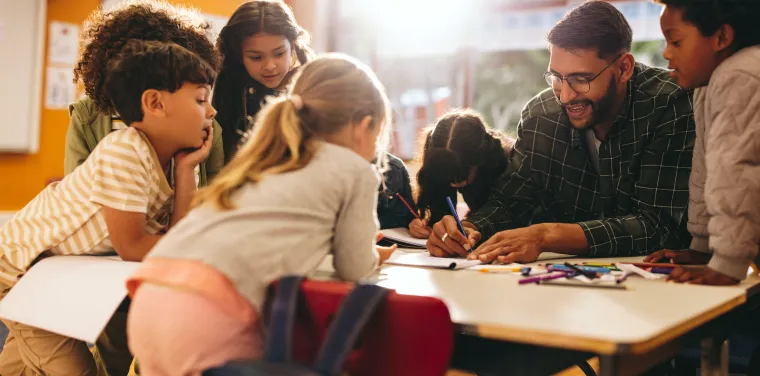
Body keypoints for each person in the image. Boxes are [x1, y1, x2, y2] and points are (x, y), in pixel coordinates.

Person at [125, 54, 397, 374]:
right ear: (364, 126)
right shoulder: (355, 170)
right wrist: (371, 255)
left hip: (149, 301)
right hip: (209, 321)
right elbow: (354, 268)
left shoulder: (262, 161)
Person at [0, 39, 216, 375]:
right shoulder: (125, 152)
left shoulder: (175, 160)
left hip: (55, 274)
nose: (211, 112)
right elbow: (133, 247)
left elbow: (176, 237)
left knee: (19, 366)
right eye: (201, 100)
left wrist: (188, 170)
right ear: (155, 103)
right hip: (21, 270)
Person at [427, 0, 695, 265]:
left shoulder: (669, 104)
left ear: (623, 68)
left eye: (581, 79)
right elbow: (511, 201)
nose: (565, 96)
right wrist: (471, 229)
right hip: (563, 288)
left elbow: (659, 225)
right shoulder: (540, 115)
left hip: (657, 288)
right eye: (557, 77)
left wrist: (546, 235)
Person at [644, 0, 760, 285]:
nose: (667, 53)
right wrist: (702, 248)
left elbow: (737, 173)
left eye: (676, 41)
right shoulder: (708, 84)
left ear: (721, 37)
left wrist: (726, 264)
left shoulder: (740, 75)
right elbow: (708, 168)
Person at [66, 0, 224, 186]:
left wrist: (185, 169)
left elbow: (210, 203)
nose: (209, 110)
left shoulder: (205, 126)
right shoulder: (88, 120)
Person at [213, 0, 314, 163]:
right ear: (239, 56)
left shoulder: (311, 84)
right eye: (256, 57)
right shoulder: (229, 84)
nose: (269, 66)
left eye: (279, 53)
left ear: (293, 46)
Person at [412, 109, 513, 239]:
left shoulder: (508, 166)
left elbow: (506, 215)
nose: (454, 183)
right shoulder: (438, 163)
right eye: (446, 172)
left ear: (480, 159)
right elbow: (441, 215)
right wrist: (432, 225)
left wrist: (469, 225)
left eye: (461, 174)